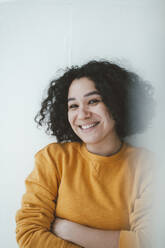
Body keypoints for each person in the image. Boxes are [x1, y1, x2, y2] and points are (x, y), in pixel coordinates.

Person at [15, 60, 155, 248]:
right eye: (73, 106)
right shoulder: (52, 159)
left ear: (116, 103)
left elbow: (149, 242)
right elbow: (29, 234)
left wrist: (70, 230)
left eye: (93, 101)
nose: (82, 114)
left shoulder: (148, 166)